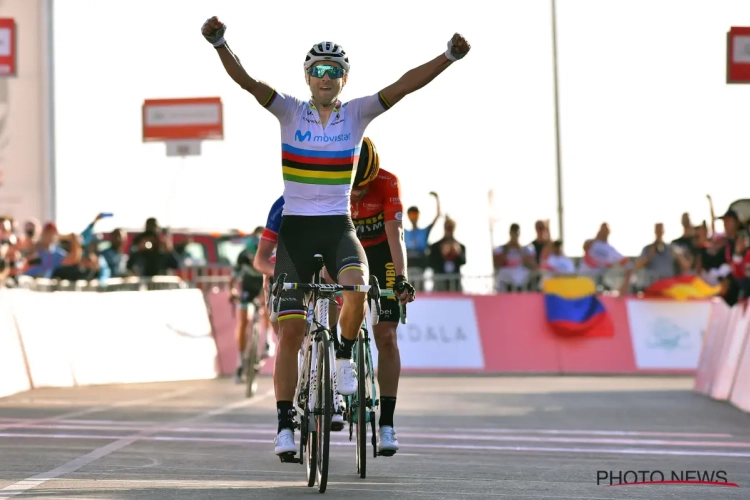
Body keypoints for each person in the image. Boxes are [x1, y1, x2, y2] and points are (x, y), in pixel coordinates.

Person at [201, 16, 470, 457]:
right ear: (307, 77)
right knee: (290, 334)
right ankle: (285, 424)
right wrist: (220, 44)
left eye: (333, 71)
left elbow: (404, 86)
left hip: (338, 228)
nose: (325, 77)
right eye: (318, 70)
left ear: (345, 78)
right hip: (296, 233)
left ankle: (343, 357)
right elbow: (247, 82)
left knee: (358, 290)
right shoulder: (288, 109)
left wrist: (448, 57)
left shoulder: (357, 113)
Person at [347, 137, 416, 454]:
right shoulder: (337, 180)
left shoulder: (388, 182)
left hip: (381, 256)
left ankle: (386, 423)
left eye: (363, 188)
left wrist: (401, 277)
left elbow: (396, 235)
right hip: (347, 253)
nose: (357, 194)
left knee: (386, 337)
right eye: (354, 188)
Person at [229, 234, 271, 383]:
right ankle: (241, 359)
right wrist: (232, 292)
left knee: (268, 304)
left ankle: (267, 339)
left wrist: (265, 295)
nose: (253, 260)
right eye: (251, 257)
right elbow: (233, 280)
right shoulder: (242, 257)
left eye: (256, 256)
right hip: (248, 286)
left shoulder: (270, 254)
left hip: (263, 284)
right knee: (243, 319)